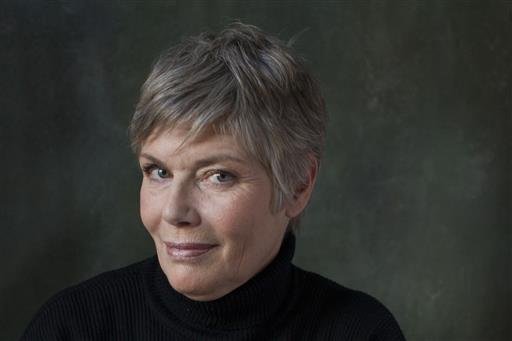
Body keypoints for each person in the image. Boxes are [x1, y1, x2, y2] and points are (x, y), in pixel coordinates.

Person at [22, 22, 405, 340]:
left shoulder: (361, 332)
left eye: (218, 176)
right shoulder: (72, 327)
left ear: (299, 185)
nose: (174, 212)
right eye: (159, 172)